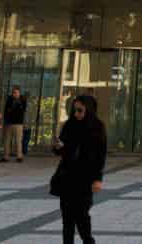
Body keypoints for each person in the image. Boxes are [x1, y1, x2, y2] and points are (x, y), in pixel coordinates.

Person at [51, 94, 107, 244]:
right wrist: (57, 147)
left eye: (80, 110)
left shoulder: (97, 127)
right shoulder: (70, 125)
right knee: (67, 219)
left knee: (81, 216)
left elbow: (100, 156)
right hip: (68, 176)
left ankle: (88, 241)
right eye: (74, 110)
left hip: (85, 177)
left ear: (88, 110)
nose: (76, 114)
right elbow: (63, 151)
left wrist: (97, 179)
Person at [1, 86, 27, 163]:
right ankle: (6, 156)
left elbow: (22, 110)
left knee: (18, 140)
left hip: (18, 123)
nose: (14, 94)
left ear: (19, 93)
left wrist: (14, 108)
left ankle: (19, 156)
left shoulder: (22, 100)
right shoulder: (9, 99)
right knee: (7, 140)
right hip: (9, 123)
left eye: (16, 92)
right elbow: (6, 110)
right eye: (13, 92)